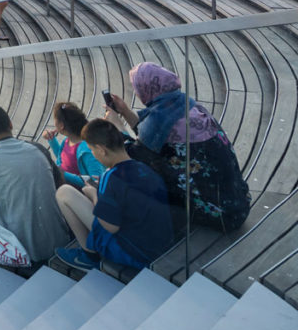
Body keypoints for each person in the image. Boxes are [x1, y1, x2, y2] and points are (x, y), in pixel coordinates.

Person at [107, 62, 251, 232]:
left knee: (139, 177)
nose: (137, 92)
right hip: (238, 204)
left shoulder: (161, 121)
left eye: (137, 87)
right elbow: (153, 141)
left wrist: (118, 129)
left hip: (220, 215)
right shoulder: (185, 106)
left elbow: (134, 156)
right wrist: (124, 112)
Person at [54, 120, 175, 271]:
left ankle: (88, 256)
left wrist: (93, 195)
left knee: (64, 193)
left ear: (101, 149)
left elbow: (109, 227)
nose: (93, 155)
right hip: (161, 243)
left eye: (92, 150)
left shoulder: (111, 178)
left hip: (136, 254)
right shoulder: (143, 167)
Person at [0, 103, 71, 264]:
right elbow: (59, 181)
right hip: (59, 239)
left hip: (20, 251)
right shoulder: (38, 148)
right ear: (10, 124)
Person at [42, 101, 105, 189]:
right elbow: (63, 159)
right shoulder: (67, 141)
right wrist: (51, 140)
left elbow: (96, 182)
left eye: (55, 120)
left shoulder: (87, 150)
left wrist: (63, 174)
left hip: (77, 195)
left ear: (61, 125)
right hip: (64, 187)